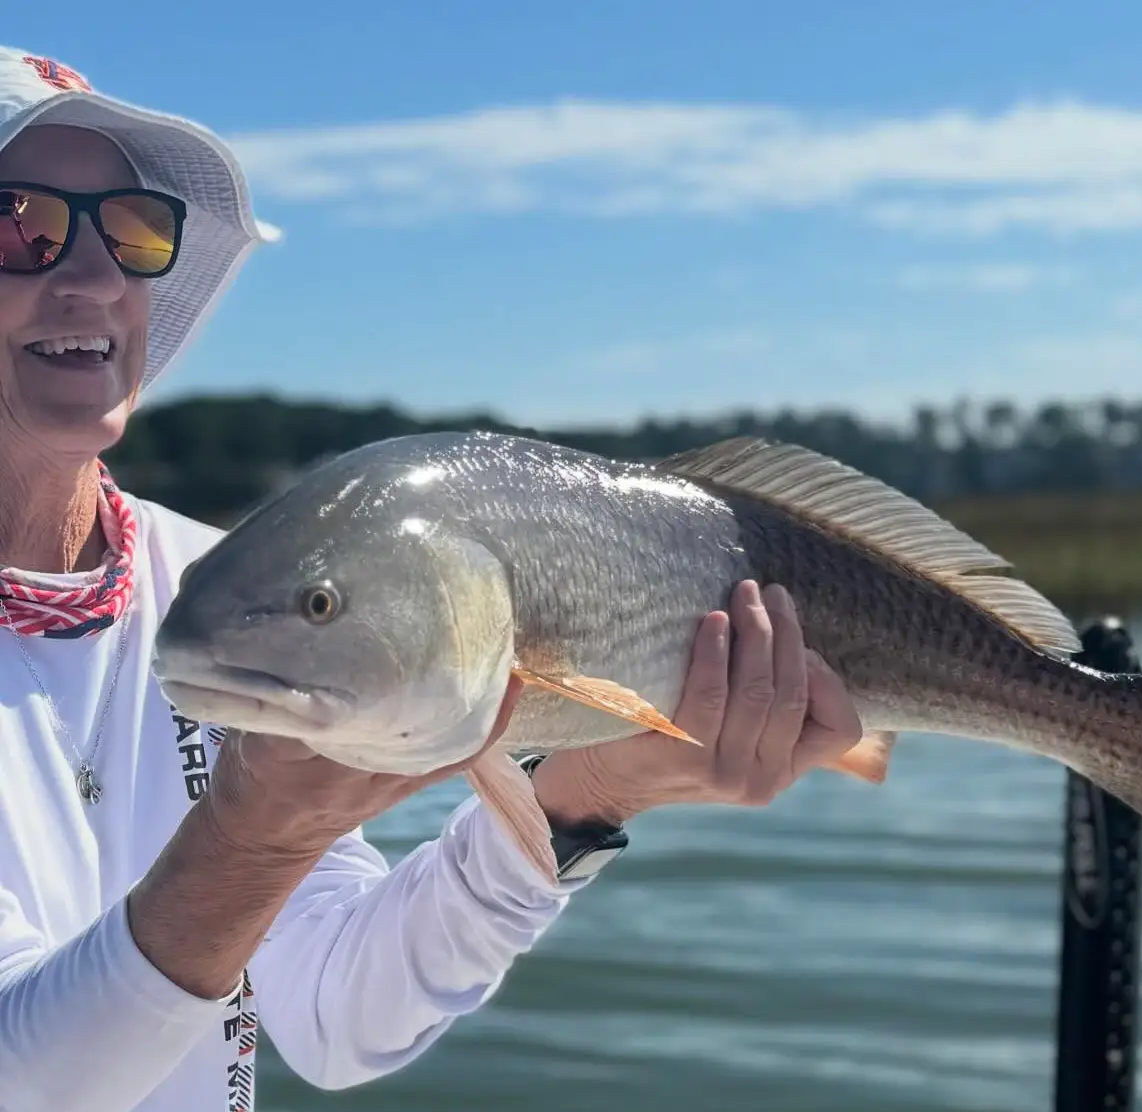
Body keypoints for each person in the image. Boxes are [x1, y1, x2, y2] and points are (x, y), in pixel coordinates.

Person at [0, 48, 865, 1112]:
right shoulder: (251, 623)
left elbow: (334, 1013)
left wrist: (589, 794)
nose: (90, 275)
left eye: (131, 227)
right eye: (21, 220)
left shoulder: (216, 593)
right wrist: (249, 838)